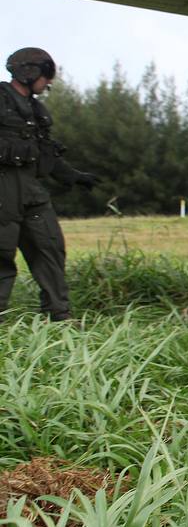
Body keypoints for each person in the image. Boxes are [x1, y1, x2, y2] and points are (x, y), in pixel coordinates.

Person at [0, 48, 98, 322]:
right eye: (46, 76)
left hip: (31, 191)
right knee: (2, 254)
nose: (49, 83)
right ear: (29, 72)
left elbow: (45, 154)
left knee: (50, 248)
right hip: (3, 192)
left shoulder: (36, 111)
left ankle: (59, 315)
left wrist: (73, 175)